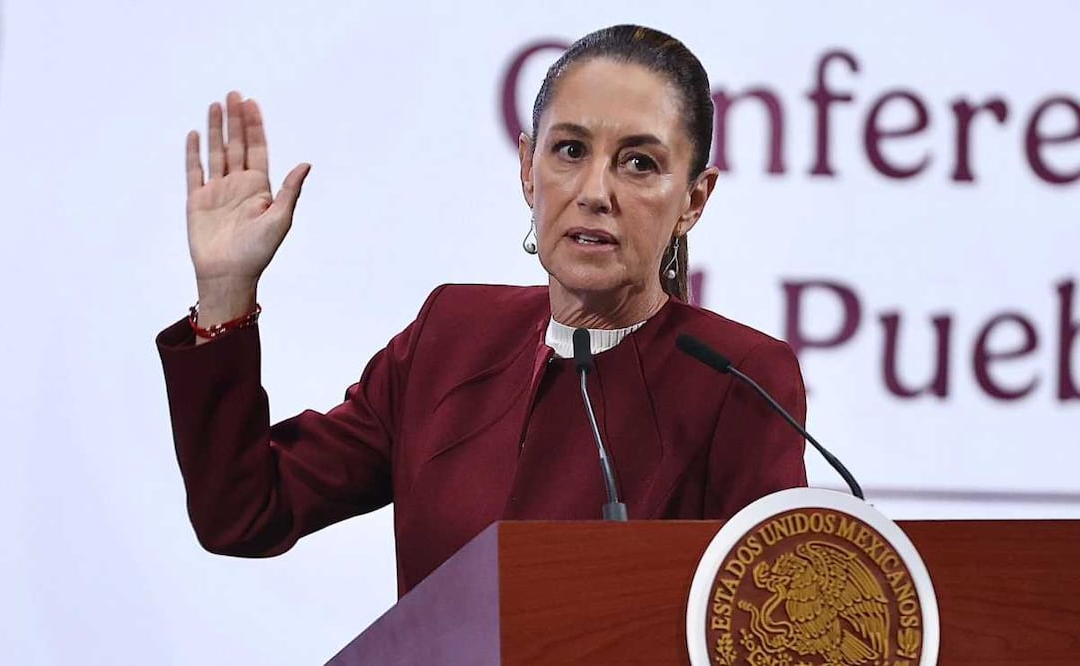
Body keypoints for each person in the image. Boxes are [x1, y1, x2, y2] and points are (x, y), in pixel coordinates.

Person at [157, 25, 807, 596]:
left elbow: (768, 619)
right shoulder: (452, 334)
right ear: (527, 167)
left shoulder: (738, 378)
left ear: (693, 200)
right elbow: (245, 513)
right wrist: (225, 290)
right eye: (570, 150)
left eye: (638, 163)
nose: (594, 192)